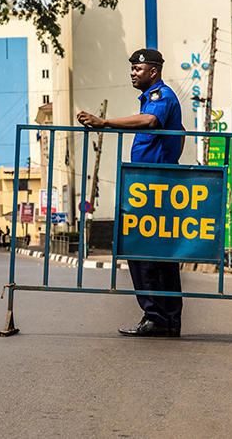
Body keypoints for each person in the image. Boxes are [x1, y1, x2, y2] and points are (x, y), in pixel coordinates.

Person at [77, 48, 184, 338]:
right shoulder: (151, 100)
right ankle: (166, 320)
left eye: (138, 69)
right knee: (159, 254)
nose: (133, 74)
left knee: (142, 250)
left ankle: (158, 317)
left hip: (155, 186)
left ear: (153, 71)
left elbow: (150, 122)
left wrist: (105, 122)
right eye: (132, 70)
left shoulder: (161, 97)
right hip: (151, 184)